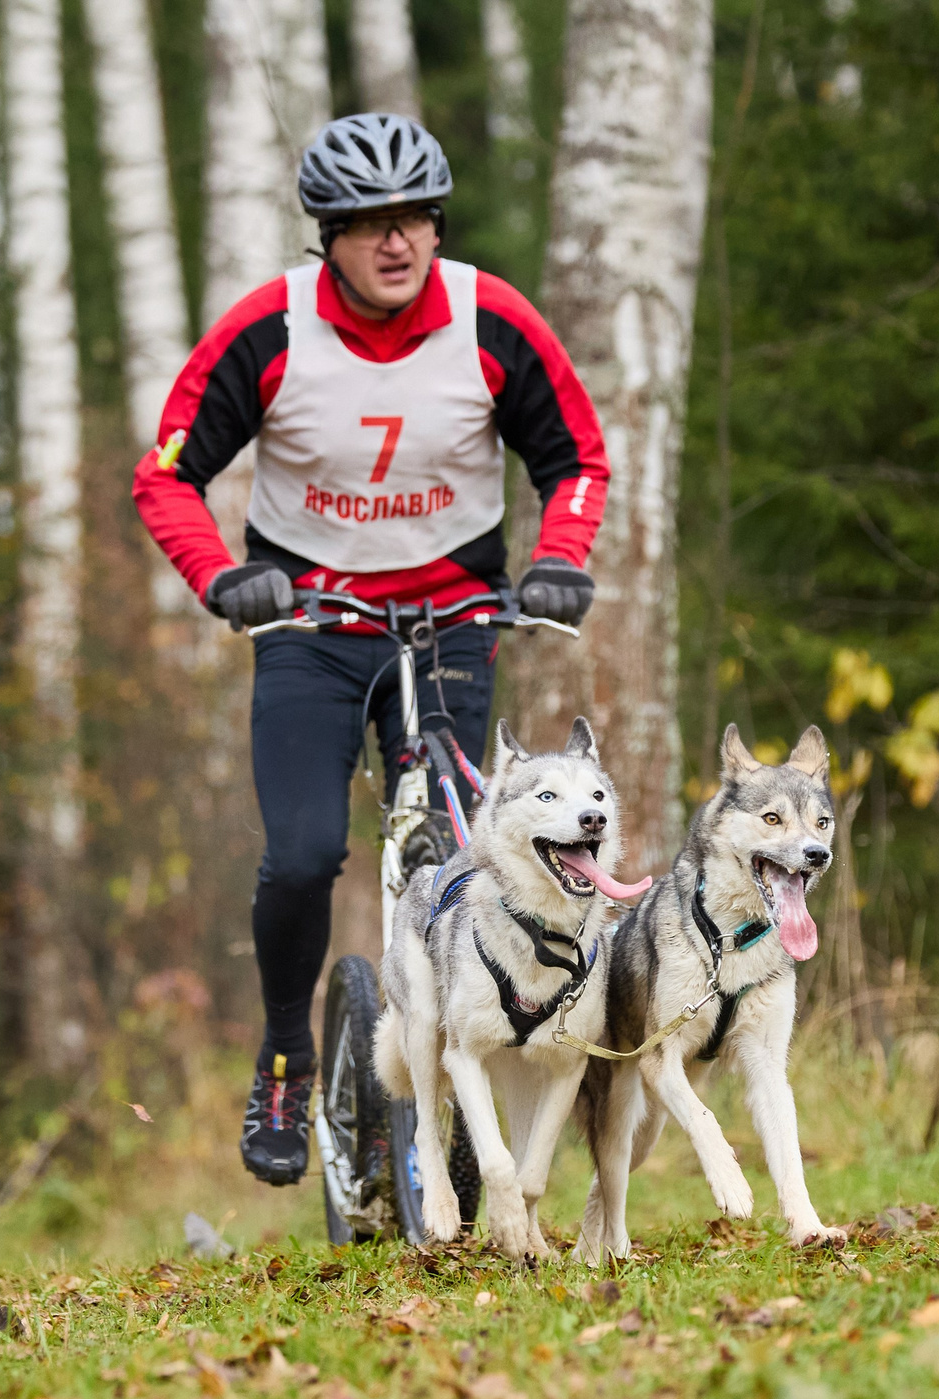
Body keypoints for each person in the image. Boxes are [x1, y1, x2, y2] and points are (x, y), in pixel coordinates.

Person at [133, 112, 610, 1187]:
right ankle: (287, 1057)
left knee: (456, 859)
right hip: (309, 628)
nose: (397, 244)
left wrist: (560, 554)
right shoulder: (268, 329)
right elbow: (165, 474)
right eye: (368, 224)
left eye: (415, 220)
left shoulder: (494, 319)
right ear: (326, 237)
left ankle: (471, 1068)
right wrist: (221, 574)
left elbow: (574, 456)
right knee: (302, 854)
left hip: (452, 621)